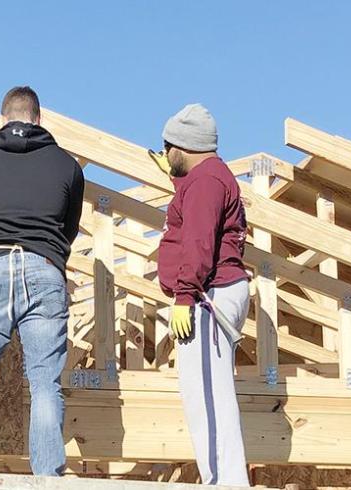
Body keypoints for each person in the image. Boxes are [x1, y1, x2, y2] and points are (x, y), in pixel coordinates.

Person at [0, 87, 84, 477]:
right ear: (38, 119)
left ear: (2, 118)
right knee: (44, 385)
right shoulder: (67, 165)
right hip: (45, 267)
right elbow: (67, 229)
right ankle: (47, 480)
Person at [149, 103, 250, 485]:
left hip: (208, 296)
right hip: (212, 293)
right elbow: (197, 217)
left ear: (183, 145)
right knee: (204, 393)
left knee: (208, 396)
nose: (164, 154)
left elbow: (198, 241)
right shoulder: (204, 180)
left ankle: (224, 482)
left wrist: (184, 296)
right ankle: (222, 478)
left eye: (167, 147)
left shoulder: (207, 181)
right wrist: (178, 182)